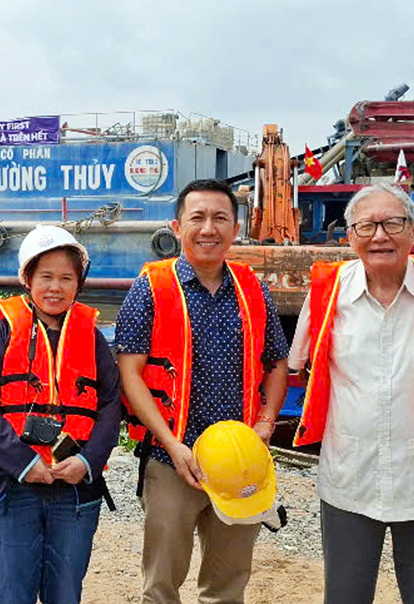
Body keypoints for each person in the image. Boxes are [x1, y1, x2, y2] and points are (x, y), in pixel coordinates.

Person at [286, 183, 414, 604]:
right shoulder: (328, 293)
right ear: (350, 235)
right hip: (349, 477)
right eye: (367, 226)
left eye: (393, 223)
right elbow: (293, 366)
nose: (380, 236)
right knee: (344, 596)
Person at [116, 179, 290, 604]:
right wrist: (173, 445)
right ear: (178, 227)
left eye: (219, 218)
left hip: (241, 464)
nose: (208, 228)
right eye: (197, 218)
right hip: (170, 457)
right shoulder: (151, 288)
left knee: (228, 585)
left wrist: (266, 423)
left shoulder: (252, 288)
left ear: (235, 229)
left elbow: (277, 362)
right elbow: (130, 373)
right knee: (161, 584)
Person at [0, 224, 122, 604]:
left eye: (66, 278)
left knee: (65, 592)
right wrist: (22, 463)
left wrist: (87, 461)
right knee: (12, 592)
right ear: (28, 279)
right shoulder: (2, 331)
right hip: (12, 485)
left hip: (74, 488)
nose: (56, 288)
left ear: (78, 283)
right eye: (46, 277)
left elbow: (110, 406)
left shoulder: (92, 338)